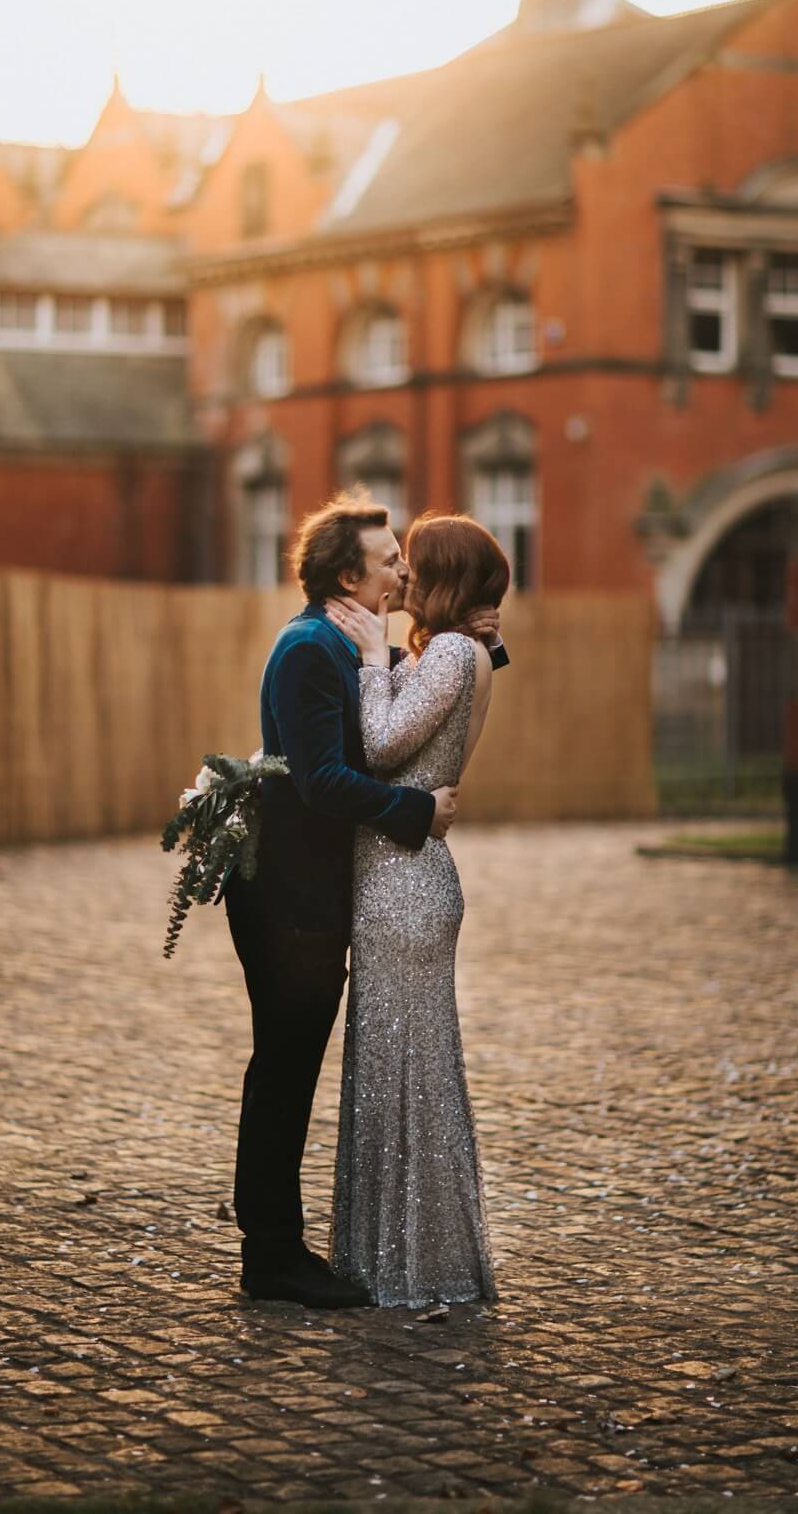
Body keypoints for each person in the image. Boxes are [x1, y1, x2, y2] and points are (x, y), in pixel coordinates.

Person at [222, 493, 505, 1308]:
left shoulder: (344, 646)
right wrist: (418, 811)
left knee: (292, 1065)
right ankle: (271, 1255)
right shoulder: (315, 649)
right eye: (389, 561)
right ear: (349, 574)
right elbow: (322, 778)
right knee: (283, 1068)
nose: (403, 569)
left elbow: (432, 692)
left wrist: (481, 636)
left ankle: (279, 1246)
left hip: (331, 893)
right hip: (293, 897)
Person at [324, 513, 507, 1308]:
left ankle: (419, 1267)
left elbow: (382, 745)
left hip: (404, 883)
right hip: (398, 877)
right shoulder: (457, 652)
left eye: (412, 566)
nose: (399, 575)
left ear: (442, 581)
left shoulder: (457, 655)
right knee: (394, 1075)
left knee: (412, 1080)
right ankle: (391, 1258)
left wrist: (370, 660)